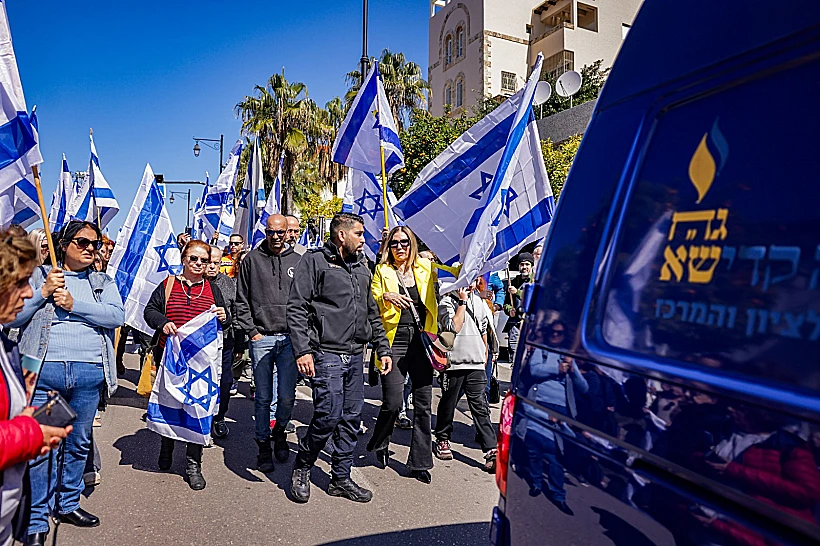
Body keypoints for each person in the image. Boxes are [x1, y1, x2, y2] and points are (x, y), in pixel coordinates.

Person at [10, 221, 124, 545]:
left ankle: (68, 503)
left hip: (88, 377)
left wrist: (77, 305)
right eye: (83, 242)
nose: (91, 248)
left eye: (96, 243)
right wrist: (44, 293)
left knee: (78, 444)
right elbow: (13, 316)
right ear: (64, 245)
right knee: (42, 447)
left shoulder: (102, 281)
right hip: (46, 375)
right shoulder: (39, 276)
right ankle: (35, 521)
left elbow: (117, 316)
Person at [288, 212, 392, 504]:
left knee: (350, 418)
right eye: (359, 234)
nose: (363, 240)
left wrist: (382, 347)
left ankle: (340, 478)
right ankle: (303, 466)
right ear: (341, 235)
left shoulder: (362, 266)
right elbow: (297, 308)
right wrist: (303, 350)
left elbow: (371, 310)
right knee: (328, 415)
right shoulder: (314, 261)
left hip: (356, 353)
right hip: (326, 353)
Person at [368, 226, 457, 484]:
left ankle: (420, 462)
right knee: (393, 402)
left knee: (422, 404)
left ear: (413, 244)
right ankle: (381, 442)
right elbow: (370, 300)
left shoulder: (426, 267)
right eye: (394, 243)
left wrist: (472, 262)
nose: (400, 248)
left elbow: (457, 272)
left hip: (421, 341)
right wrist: (386, 295)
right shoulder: (382, 271)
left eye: (405, 242)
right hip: (393, 340)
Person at [0, 232, 72, 546]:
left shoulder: (5, 345)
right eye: (21, 283)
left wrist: (26, 418)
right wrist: (30, 434)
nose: (30, 294)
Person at [143, 240, 230, 491]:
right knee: (171, 403)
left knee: (197, 409)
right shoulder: (168, 285)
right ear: (184, 259)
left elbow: (225, 321)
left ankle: (194, 464)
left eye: (204, 260)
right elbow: (150, 311)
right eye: (194, 259)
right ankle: (167, 445)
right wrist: (163, 323)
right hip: (170, 358)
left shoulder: (213, 289)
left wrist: (225, 316)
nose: (199, 264)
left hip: (201, 365)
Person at [235, 215, 302, 472]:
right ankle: (263, 443)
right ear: (265, 232)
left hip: (290, 340)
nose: (276, 237)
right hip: (261, 338)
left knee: (286, 397)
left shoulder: (299, 260)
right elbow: (242, 300)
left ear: (288, 233)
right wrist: (252, 332)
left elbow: (307, 300)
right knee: (263, 397)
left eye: (281, 232)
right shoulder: (251, 260)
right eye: (271, 232)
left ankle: (280, 432)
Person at [433, 280, 498, 472]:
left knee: (479, 405)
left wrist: (485, 351)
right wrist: (461, 301)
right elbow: (453, 326)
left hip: (476, 361)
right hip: (454, 361)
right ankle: (443, 438)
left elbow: (484, 327)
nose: (469, 285)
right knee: (449, 402)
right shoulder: (446, 301)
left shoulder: (478, 300)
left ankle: (490, 449)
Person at [519, 349, 588, 515]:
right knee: (534, 450)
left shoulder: (569, 356)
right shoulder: (543, 350)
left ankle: (558, 495)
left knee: (556, 456)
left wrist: (572, 368)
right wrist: (556, 370)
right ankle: (536, 483)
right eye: (555, 332)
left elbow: (583, 387)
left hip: (561, 410)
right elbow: (534, 370)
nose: (559, 336)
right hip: (539, 402)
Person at [206, 246, 237, 439]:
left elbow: (237, 310)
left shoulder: (229, 284)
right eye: (208, 262)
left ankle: (219, 417)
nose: (211, 266)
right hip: (199, 346)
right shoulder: (194, 283)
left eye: (216, 263)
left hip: (225, 341)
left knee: (224, 381)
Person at [503, 252, 534, 363]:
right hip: (514, 323)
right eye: (522, 264)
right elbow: (506, 303)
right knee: (514, 352)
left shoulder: (535, 281)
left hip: (529, 324)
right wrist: (509, 310)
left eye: (527, 264)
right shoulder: (514, 281)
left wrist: (517, 292)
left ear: (531, 266)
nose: (524, 267)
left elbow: (533, 300)